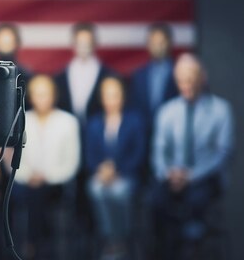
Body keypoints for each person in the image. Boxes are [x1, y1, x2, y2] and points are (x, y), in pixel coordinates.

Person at [151, 53, 233, 259]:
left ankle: (192, 249)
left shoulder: (221, 110)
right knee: (155, 201)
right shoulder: (167, 111)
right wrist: (168, 173)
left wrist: (191, 175)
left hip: (205, 178)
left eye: (190, 79)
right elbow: (159, 149)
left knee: (195, 202)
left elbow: (222, 154)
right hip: (172, 177)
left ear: (202, 78)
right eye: (180, 79)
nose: (185, 84)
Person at [10, 75, 80, 259]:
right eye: (37, 94)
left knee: (38, 195)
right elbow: (14, 160)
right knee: (32, 194)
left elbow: (71, 163)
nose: (42, 98)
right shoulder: (22, 120)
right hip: (26, 182)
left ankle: (32, 244)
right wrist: (28, 176)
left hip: (57, 183)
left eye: (46, 94)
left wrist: (46, 177)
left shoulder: (68, 122)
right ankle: (39, 245)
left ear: (54, 95)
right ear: (31, 97)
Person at [85, 76, 146, 258]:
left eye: (115, 95)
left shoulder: (135, 120)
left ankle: (121, 238)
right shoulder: (94, 123)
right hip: (101, 175)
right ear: (101, 98)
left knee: (119, 192)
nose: (111, 100)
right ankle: (111, 238)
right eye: (107, 96)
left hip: (126, 174)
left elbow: (139, 152)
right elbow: (89, 154)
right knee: (95, 189)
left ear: (123, 96)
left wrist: (117, 170)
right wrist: (101, 170)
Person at [55, 22, 113, 125]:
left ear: (95, 43)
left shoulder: (108, 75)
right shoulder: (60, 77)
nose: (83, 47)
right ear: (73, 43)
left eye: (87, 42)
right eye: (79, 42)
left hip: (98, 131)